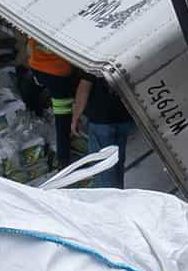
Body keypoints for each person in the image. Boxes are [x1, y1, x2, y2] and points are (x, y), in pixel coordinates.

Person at [18, 36, 79, 167]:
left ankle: (36, 114)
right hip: (60, 77)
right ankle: (64, 162)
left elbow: (29, 50)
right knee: (62, 121)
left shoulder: (36, 29)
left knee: (27, 83)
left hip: (39, 72)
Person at [71, 71, 134, 188]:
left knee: (102, 167)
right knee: (117, 163)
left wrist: (75, 117)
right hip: (124, 117)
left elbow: (84, 87)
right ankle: (119, 193)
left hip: (101, 120)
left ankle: (109, 197)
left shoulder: (95, 62)